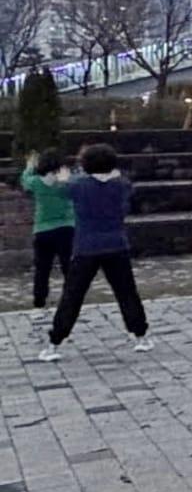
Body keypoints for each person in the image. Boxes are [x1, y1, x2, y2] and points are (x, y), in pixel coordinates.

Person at [42, 144, 151, 362]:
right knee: (127, 293)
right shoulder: (121, 184)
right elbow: (123, 183)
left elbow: (51, 184)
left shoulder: (78, 184)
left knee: (72, 296)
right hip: (117, 244)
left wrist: (60, 173)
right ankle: (140, 336)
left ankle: (55, 342)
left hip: (86, 247)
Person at [21, 149, 75, 319]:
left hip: (43, 230)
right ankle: (71, 304)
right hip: (67, 227)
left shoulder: (36, 182)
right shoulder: (66, 182)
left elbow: (25, 181)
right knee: (69, 269)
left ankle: (39, 305)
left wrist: (29, 166)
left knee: (42, 269)